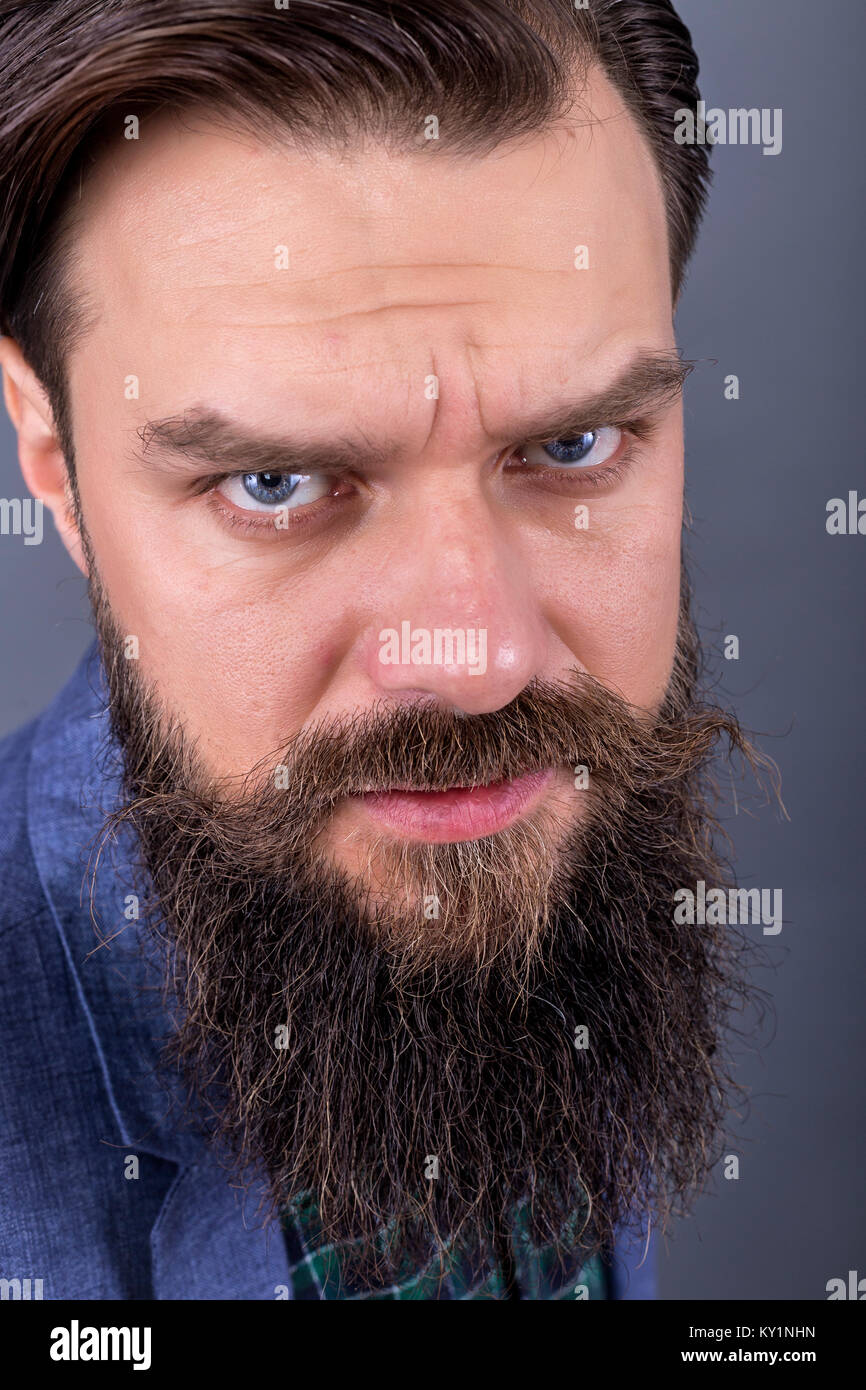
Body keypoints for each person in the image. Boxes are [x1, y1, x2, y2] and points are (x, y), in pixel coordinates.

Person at [0, 0, 763, 1299]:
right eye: (280, 481)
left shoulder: (557, 866)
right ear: (55, 464)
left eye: (568, 446)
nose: (474, 660)